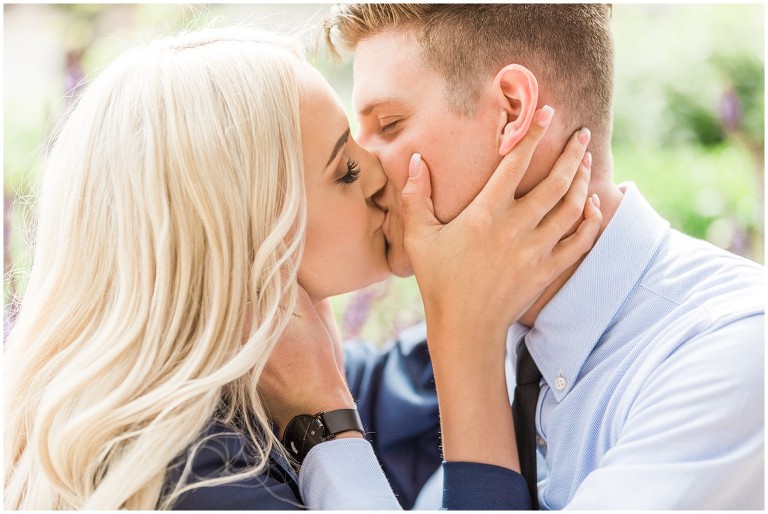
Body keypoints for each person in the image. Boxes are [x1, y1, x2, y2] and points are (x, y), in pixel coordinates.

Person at [3, 25, 601, 510]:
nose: (379, 174)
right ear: (243, 231)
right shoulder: (204, 481)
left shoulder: (220, 404)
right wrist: (329, 426)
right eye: (344, 169)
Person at [312, 4, 765, 509]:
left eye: (389, 124)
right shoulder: (479, 340)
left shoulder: (729, 358)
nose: (367, 170)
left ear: (512, 110)